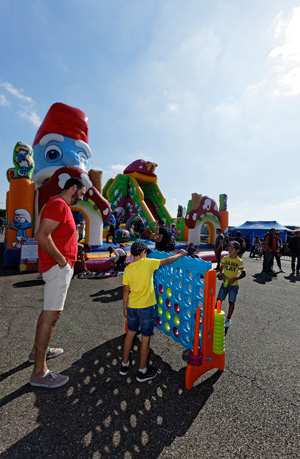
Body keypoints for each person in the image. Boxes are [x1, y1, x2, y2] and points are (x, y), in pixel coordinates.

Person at [29, 177, 87, 388]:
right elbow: (42, 235)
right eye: (81, 193)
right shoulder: (59, 205)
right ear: (74, 187)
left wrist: (73, 246)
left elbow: (55, 234)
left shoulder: (58, 205)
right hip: (57, 268)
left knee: (47, 312)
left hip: (56, 267)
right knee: (52, 316)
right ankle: (39, 372)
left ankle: (37, 352)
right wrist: (62, 260)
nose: (81, 197)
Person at [120, 241, 187, 382]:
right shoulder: (149, 263)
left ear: (132, 253)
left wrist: (124, 307)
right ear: (144, 252)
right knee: (145, 338)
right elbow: (168, 260)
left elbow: (125, 290)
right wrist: (180, 254)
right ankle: (142, 371)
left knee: (130, 334)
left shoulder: (128, 269)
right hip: (146, 308)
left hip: (132, 306)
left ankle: (124, 365)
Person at [217, 241, 246, 328]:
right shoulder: (225, 258)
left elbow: (244, 274)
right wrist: (223, 275)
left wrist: (235, 278)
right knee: (219, 300)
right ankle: (215, 315)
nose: (229, 250)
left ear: (237, 250)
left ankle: (228, 319)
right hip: (224, 283)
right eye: (228, 248)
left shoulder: (239, 261)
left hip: (234, 285)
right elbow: (221, 268)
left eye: (232, 248)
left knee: (231, 302)